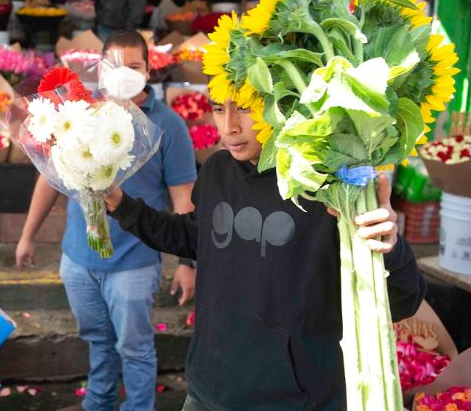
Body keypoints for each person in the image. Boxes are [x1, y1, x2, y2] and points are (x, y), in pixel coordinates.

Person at [104, 98, 427, 410]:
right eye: (218, 109)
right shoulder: (217, 170)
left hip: (295, 400)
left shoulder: (330, 189)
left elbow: (402, 300)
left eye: (245, 109)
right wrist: (121, 204)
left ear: (283, 104)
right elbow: (194, 237)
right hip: (208, 386)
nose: (229, 126)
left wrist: (387, 245)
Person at [16, 30, 197, 411]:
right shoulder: (78, 114)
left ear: (148, 71)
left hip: (134, 262)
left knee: (135, 349)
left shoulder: (169, 126)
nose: (124, 73)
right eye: (115, 66)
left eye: (134, 66)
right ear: (100, 69)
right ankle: (97, 403)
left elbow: (184, 198)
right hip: (78, 259)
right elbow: (48, 179)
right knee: (97, 342)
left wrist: (187, 262)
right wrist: (27, 235)